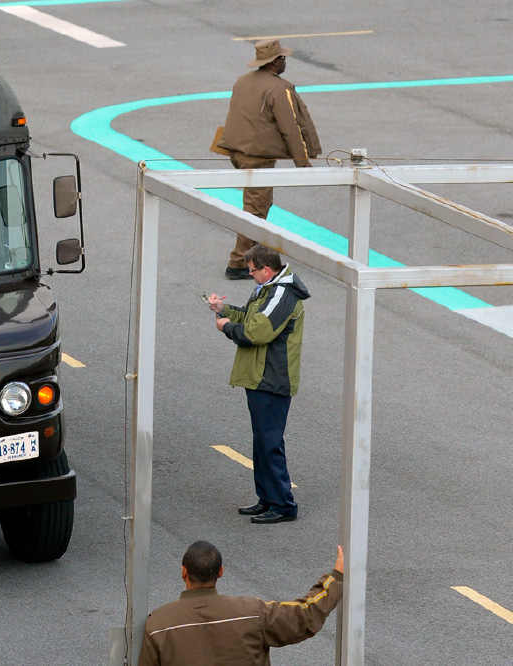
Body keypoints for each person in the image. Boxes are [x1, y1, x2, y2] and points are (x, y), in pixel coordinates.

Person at [208, 245, 309, 524]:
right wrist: (224, 309)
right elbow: (252, 317)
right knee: (262, 442)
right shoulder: (270, 288)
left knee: (270, 443)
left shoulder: (282, 294)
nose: (250, 275)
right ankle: (268, 498)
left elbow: (257, 332)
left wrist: (227, 327)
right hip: (262, 377)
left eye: (252, 270)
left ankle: (283, 505)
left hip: (272, 378)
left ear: (266, 269)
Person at [138, 540, 343, 666]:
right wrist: (336, 577)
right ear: (220, 572)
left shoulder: (157, 625)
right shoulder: (252, 613)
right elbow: (304, 616)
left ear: (184, 572)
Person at [216, 39, 321, 280]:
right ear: (275, 61)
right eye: (283, 58)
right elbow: (291, 127)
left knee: (253, 204)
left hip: (237, 150)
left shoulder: (243, 81)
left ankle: (248, 257)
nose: (285, 62)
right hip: (258, 156)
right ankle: (238, 262)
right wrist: (301, 160)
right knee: (256, 209)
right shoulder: (278, 88)